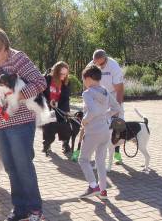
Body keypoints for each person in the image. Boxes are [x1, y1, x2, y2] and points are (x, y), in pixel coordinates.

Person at [0, 26, 46, 221]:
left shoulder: (18, 58)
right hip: (1, 124)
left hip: (21, 122)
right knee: (10, 167)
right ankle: (20, 209)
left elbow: (40, 82)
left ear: (3, 41)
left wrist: (17, 96)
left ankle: (35, 210)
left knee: (23, 166)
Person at [78, 65, 120, 199]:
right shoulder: (105, 91)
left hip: (93, 131)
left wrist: (84, 121)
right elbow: (116, 107)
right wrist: (106, 116)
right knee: (100, 161)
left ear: (89, 78)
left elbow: (93, 111)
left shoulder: (87, 93)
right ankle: (103, 191)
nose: (84, 82)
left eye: (84, 79)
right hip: (105, 130)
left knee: (83, 159)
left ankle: (93, 186)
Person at [88, 49, 125, 164]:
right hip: (99, 96)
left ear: (106, 59)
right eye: (97, 63)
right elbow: (86, 83)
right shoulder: (91, 65)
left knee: (118, 125)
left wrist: (117, 108)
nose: (100, 66)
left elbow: (120, 89)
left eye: (102, 63)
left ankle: (117, 153)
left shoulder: (114, 67)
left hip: (113, 95)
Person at [42, 61, 71, 155]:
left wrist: (65, 111)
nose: (63, 76)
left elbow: (66, 97)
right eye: (61, 74)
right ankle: (47, 145)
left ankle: (65, 144)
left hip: (60, 107)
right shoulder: (45, 79)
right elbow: (41, 94)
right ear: (55, 72)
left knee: (65, 126)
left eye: (65, 74)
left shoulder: (66, 82)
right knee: (48, 127)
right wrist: (48, 102)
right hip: (48, 107)